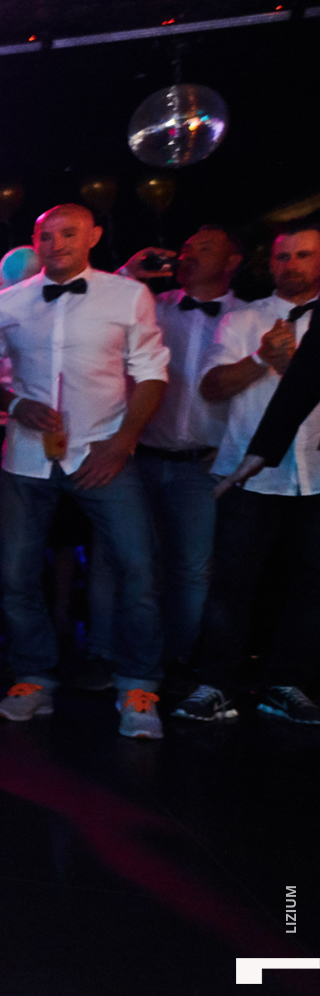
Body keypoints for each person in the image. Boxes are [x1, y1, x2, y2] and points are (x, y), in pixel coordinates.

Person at [0, 203, 170, 738]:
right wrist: (15, 403)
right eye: (46, 235)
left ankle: (138, 683)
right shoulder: (8, 303)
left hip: (101, 451)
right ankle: (33, 676)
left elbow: (152, 374)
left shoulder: (127, 295)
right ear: (35, 242)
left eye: (68, 233)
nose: (56, 243)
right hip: (26, 455)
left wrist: (122, 443)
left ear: (94, 236)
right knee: (16, 573)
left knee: (138, 568)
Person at [180, 221, 320, 727]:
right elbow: (211, 387)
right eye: (283, 256)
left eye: (303, 255)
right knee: (232, 586)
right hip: (247, 475)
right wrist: (262, 358)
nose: (291, 265)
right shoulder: (243, 318)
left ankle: (287, 684)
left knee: (311, 587)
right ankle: (215, 685)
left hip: (317, 474)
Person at [114, 225, 241, 680]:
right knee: (131, 563)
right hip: (140, 455)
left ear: (232, 262)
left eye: (204, 248)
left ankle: (177, 661)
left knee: (191, 569)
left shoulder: (247, 317)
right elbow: (98, 305)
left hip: (202, 463)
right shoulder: (151, 304)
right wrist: (129, 271)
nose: (189, 255)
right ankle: (124, 659)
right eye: (186, 248)